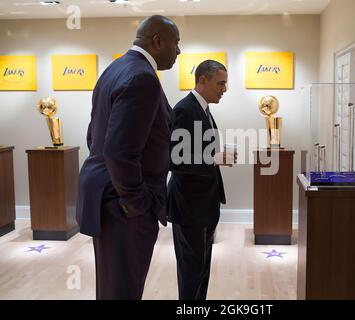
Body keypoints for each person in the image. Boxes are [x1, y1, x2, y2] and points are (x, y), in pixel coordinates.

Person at [76, 15, 180, 300]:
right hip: (122, 206)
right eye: (176, 43)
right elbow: (119, 151)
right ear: (157, 41)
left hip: (108, 197)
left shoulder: (116, 68)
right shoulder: (142, 77)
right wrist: (137, 203)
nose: (179, 51)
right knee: (123, 289)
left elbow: (94, 136)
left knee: (113, 286)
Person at [168, 59, 236, 300]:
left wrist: (217, 155)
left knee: (201, 269)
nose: (224, 89)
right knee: (191, 271)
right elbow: (173, 160)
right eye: (221, 83)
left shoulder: (204, 109)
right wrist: (215, 158)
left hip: (204, 205)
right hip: (189, 207)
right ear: (202, 80)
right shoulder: (184, 109)